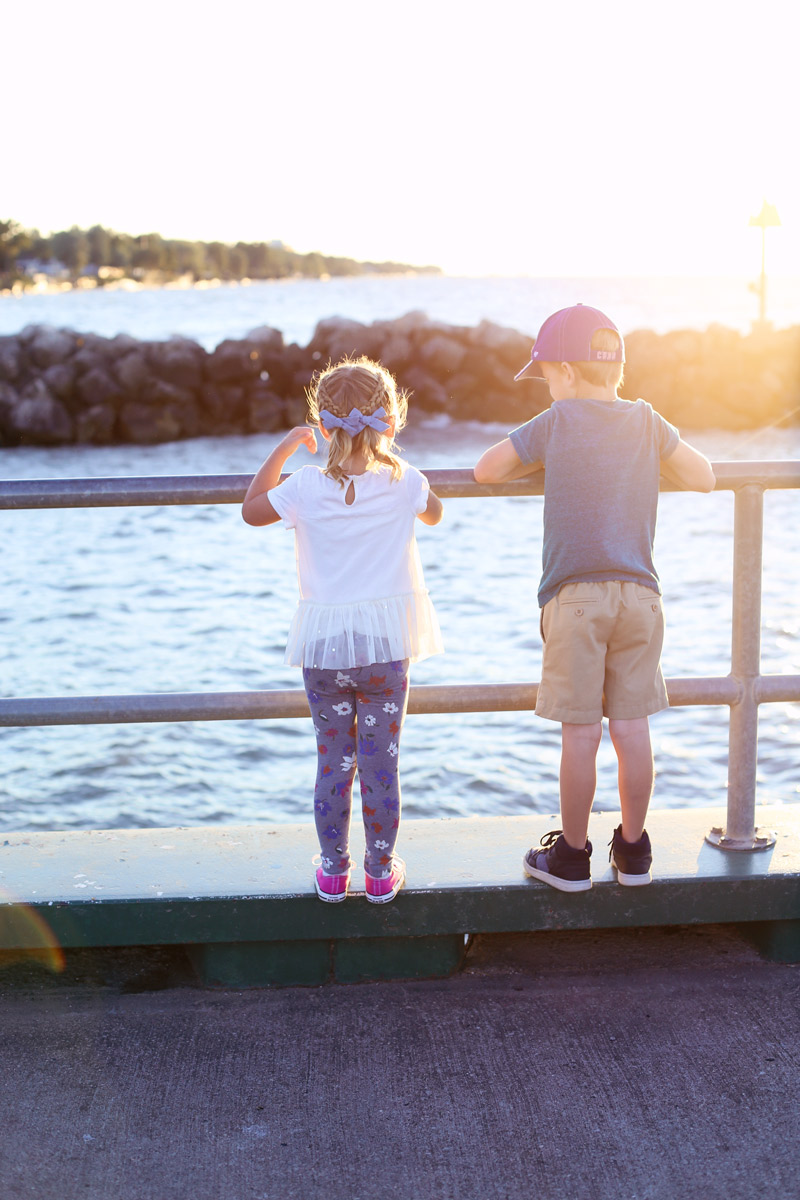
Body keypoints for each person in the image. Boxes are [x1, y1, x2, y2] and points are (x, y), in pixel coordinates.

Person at [474, 304, 715, 892]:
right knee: (632, 728)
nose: (550, 387)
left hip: (574, 598)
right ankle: (633, 851)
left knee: (580, 733)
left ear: (567, 372)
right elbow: (705, 476)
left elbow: (485, 471)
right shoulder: (647, 420)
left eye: (549, 375)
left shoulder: (555, 422)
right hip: (641, 597)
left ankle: (574, 856)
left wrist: (545, 454)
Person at [242, 357, 443, 903]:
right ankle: (380, 872)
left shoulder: (304, 486)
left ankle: (333, 871)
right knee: (382, 764)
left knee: (333, 763)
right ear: (392, 422)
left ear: (322, 427)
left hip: (326, 651)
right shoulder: (407, 484)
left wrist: (285, 448)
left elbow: (251, 510)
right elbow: (436, 514)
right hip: (383, 650)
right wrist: (394, 463)